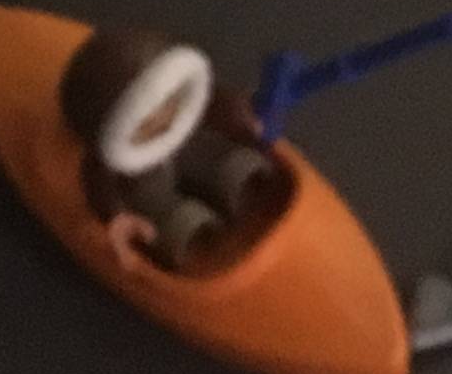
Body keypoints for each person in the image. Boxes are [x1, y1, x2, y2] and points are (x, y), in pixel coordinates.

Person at [55, 25, 286, 273]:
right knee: (169, 216)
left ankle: (246, 185)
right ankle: (191, 235)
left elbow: (214, 100)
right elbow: (98, 178)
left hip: (193, 145)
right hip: (145, 178)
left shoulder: (186, 110)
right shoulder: (112, 160)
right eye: (146, 124)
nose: (164, 120)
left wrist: (243, 114)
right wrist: (116, 214)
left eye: (169, 101)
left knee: (228, 161)